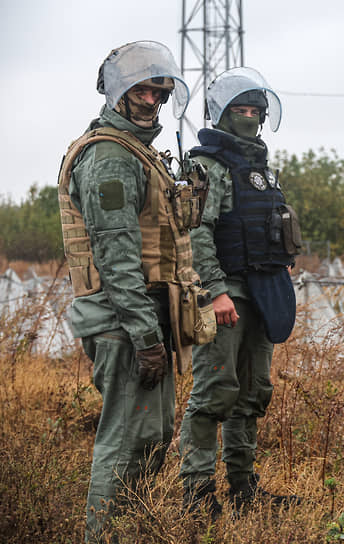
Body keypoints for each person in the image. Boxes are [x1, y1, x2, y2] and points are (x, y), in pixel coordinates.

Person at [57, 41, 211, 542]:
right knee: (126, 441)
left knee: (147, 437)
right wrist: (145, 336)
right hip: (123, 322)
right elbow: (116, 256)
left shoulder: (139, 153)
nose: (152, 100)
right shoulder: (108, 157)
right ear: (118, 92)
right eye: (142, 90)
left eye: (159, 91)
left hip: (140, 319)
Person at [178, 67, 300, 518]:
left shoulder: (263, 169)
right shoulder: (207, 166)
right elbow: (197, 233)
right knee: (214, 392)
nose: (249, 118)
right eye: (241, 111)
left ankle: (244, 487)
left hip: (264, 290)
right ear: (223, 115)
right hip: (226, 292)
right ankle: (195, 494)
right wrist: (213, 292)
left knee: (253, 392)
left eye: (255, 111)